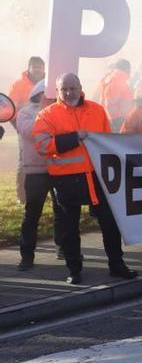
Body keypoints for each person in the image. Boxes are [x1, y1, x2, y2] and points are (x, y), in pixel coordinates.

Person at [32, 73, 138, 284]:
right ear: (58, 91)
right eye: (64, 89)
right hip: (65, 181)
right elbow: (42, 146)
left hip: (96, 178)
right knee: (69, 228)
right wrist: (73, 138)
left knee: (109, 222)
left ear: (81, 87)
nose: (69, 93)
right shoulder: (47, 115)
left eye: (73, 88)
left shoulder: (97, 110)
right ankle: (74, 269)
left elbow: (108, 142)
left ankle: (117, 265)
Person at [16, 81, 62, 269]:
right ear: (40, 93)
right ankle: (27, 256)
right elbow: (31, 132)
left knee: (63, 212)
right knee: (32, 214)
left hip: (59, 170)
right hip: (36, 172)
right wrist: (45, 110)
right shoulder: (25, 113)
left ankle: (64, 248)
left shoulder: (60, 111)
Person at [98, 59, 134, 132]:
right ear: (126, 69)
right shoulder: (117, 81)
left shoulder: (113, 80)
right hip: (116, 121)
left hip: (112, 120)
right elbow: (110, 104)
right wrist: (118, 121)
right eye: (129, 69)